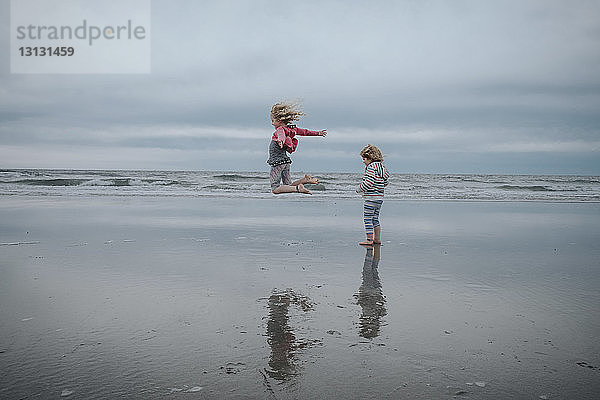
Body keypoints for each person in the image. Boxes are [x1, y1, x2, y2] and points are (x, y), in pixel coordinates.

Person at [267, 101, 326, 194]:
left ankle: (298, 188)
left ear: (279, 121)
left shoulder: (280, 129)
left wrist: (281, 140)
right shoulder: (292, 129)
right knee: (288, 185)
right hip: (285, 162)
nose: (272, 123)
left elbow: (281, 135)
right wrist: (318, 133)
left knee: (275, 189)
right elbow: (305, 132)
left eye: (273, 121)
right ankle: (305, 180)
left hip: (277, 162)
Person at [356, 144, 390, 246]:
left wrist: (360, 189)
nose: (363, 161)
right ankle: (377, 239)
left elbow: (369, 182)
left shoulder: (370, 167)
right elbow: (386, 182)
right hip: (379, 198)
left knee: (367, 218)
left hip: (371, 198)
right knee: (375, 218)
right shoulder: (382, 167)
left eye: (364, 158)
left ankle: (369, 239)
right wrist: (379, 187)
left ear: (370, 158)